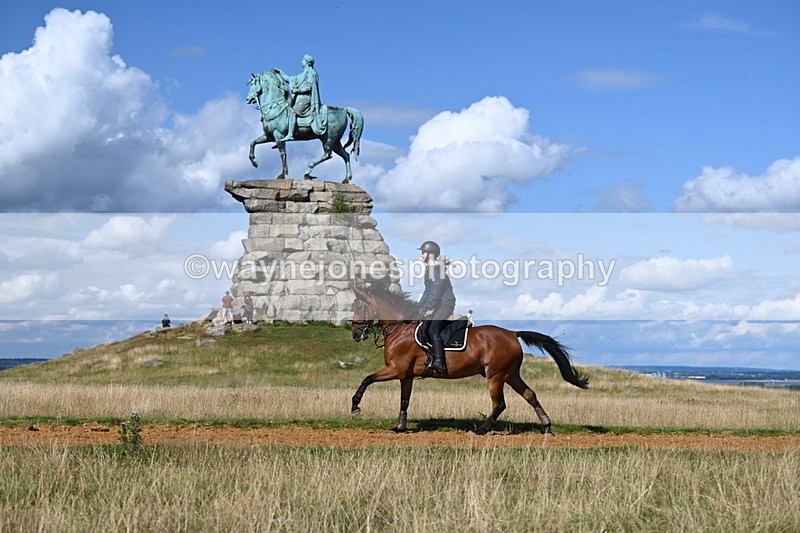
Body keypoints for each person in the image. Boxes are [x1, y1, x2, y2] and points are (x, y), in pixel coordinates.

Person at [417, 240, 456, 373]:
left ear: (430, 254)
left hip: (445, 305)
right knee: (425, 327)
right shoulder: (430, 270)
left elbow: (435, 294)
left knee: (433, 328)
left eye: (423, 252)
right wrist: (417, 307)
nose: (421, 255)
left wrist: (425, 307)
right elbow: (427, 292)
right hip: (438, 305)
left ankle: (440, 362)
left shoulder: (437, 270)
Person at [272, 54, 322, 141]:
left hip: (305, 99)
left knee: (291, 111)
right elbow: (289, 79)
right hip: (299, 98)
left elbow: (309, 87)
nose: (301, 62)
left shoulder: (312, 73)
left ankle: (290, 134)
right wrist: (280, 72)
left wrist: (297, 91)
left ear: (307, 62)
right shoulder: (302, 75)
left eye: (303, 60)